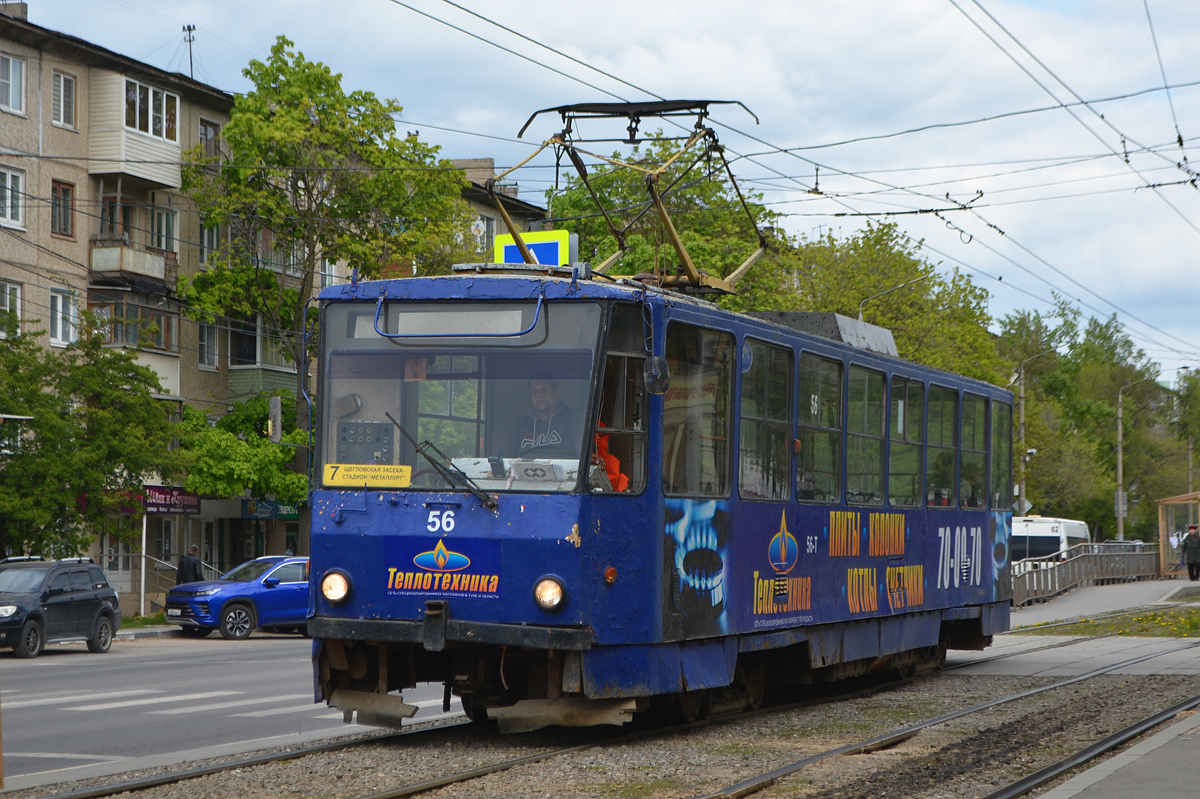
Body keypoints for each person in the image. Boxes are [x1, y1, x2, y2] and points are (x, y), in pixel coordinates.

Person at [501, 376, 583, 459]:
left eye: (544, 390)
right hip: (525, 470)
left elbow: (582, 448)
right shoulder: (520, 426)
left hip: (566, 470)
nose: (539, 395)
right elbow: (503, 457)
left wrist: (586, 456)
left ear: (555, 393)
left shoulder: (572, 418)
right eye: (534, 392)